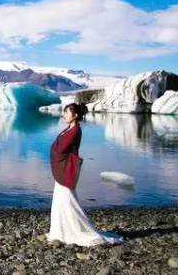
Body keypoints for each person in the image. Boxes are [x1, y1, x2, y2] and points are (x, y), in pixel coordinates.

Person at [46, 102, 124, 246]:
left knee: (67, 200)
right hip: (62, 169)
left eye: (67, 112)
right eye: (64, 111)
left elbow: (61, 149)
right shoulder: (70, 128)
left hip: (65, 169)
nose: (64, 114)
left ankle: (72, 231)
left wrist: (55, 150)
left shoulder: (75, 130)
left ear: (75, 115)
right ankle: (61, 231)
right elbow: (60, 146)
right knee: (62, 200)